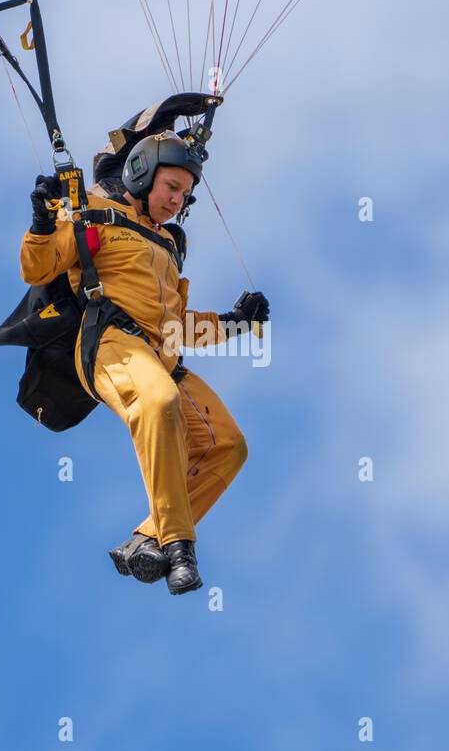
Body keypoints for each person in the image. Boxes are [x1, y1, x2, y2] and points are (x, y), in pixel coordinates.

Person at [20, 130, 269, 596]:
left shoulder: (168, 248)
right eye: (171, 187)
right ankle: (177, 545)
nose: (178, 200)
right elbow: (39, 268)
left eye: (185, 194)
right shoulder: (98, 216)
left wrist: (238, 324)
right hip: (111, 343)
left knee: (229, 446)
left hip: (162, 355)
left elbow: (177, 326)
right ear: (142, 174)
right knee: (157, 400)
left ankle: (147, 538)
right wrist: (40, 220)